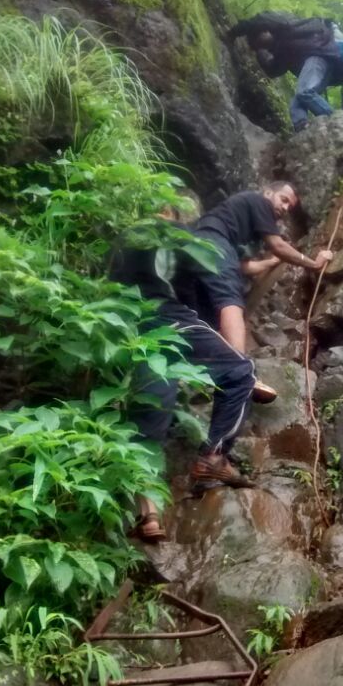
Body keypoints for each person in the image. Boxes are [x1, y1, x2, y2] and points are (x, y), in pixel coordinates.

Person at [110, 213, 258, 541]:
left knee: (151, 408)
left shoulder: (122, 241)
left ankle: (148, 513)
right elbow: (214, 292)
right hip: (163, 315)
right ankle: (213, 458)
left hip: (119, 321)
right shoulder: (175, 234)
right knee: (241, 373)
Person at [172, 181, 333, 400]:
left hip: (193, 250)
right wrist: (314, 263)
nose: (285, 208)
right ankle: (240, 373)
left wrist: (271, 262)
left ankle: (192, 374)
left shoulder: (238, 219)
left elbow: (244, 267)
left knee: (203, 320)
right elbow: (277, 245)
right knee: (230, 302)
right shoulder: (258, 202)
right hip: (213, 242)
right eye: (283, 200)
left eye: (290, 207)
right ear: (268, 193)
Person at [229, 11, 343, 132]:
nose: (261, 42)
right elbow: (273, 71)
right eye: (258, 45)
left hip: (324, 51)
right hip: (331, 63)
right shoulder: (282, 52)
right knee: (296, 105)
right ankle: (302, 129)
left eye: (259, 37)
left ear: (265, 30)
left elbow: (263, 18)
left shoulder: (286, 28)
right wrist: (261, 53)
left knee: (305, 92)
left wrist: (235, 31)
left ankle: (338, 125)